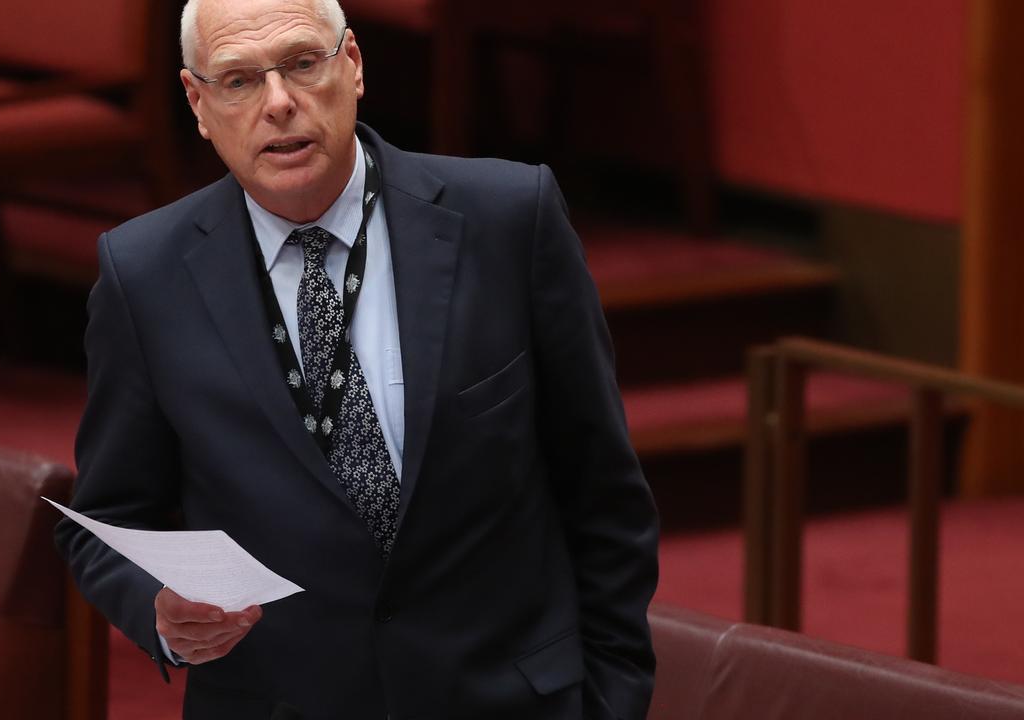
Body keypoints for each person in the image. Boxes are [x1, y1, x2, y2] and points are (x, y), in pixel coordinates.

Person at [55, 0, 660, 716]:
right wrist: (159, 609)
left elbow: (604, 491)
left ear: (353, 64)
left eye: (303, 64)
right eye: (240, 81)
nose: (279, 103)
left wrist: (613, 698)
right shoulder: (144, 275)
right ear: (197, 101)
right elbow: (109, 519)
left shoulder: (508, 219)